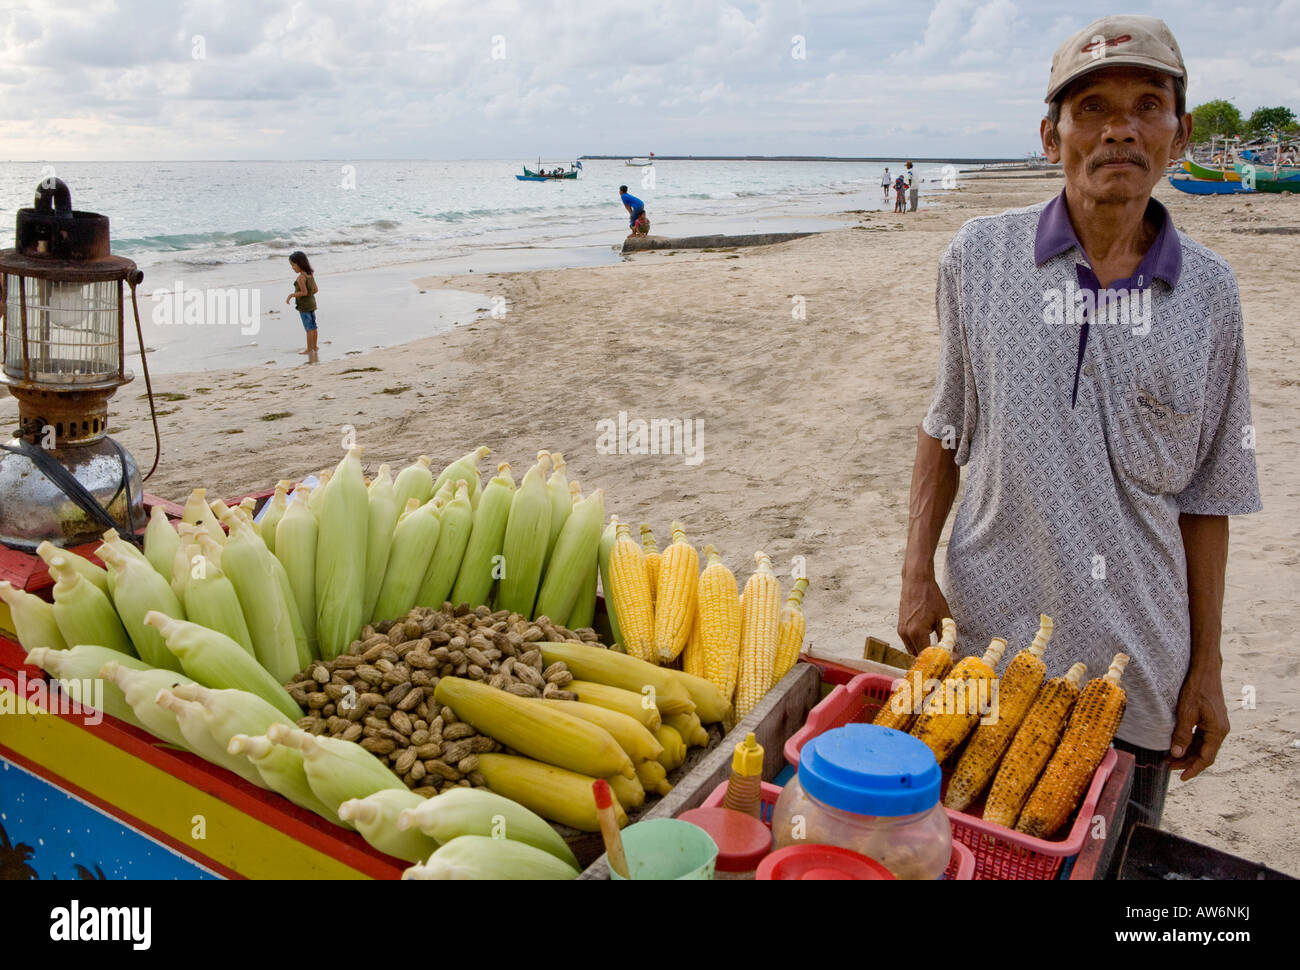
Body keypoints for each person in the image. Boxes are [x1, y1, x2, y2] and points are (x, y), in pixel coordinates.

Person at [897, 15, 1260, 841]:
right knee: (967, 849)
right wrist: (917, 573)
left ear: (1181, 132)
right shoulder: (977, 257)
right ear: (1051, 134)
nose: (1119, 128)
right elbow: (944, 423)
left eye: (1147, 105)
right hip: (985, 646)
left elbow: (1212, 492)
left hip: (1134, 672)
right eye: (1091, 107)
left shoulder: (1213, 293)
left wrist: (1207, 666)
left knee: (1106, 863)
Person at [285, 251, 318, 356]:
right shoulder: (310, 275)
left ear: (300, 263)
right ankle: (314, 346)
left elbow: (304, 292)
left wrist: (292, 295)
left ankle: (309, 349)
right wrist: (309, 296)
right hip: (312, 304)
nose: (292, 268)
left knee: (308, 328)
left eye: (293, 265)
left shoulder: (300, 278)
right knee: (313, 326)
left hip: (304, 306)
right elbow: (315, 290)